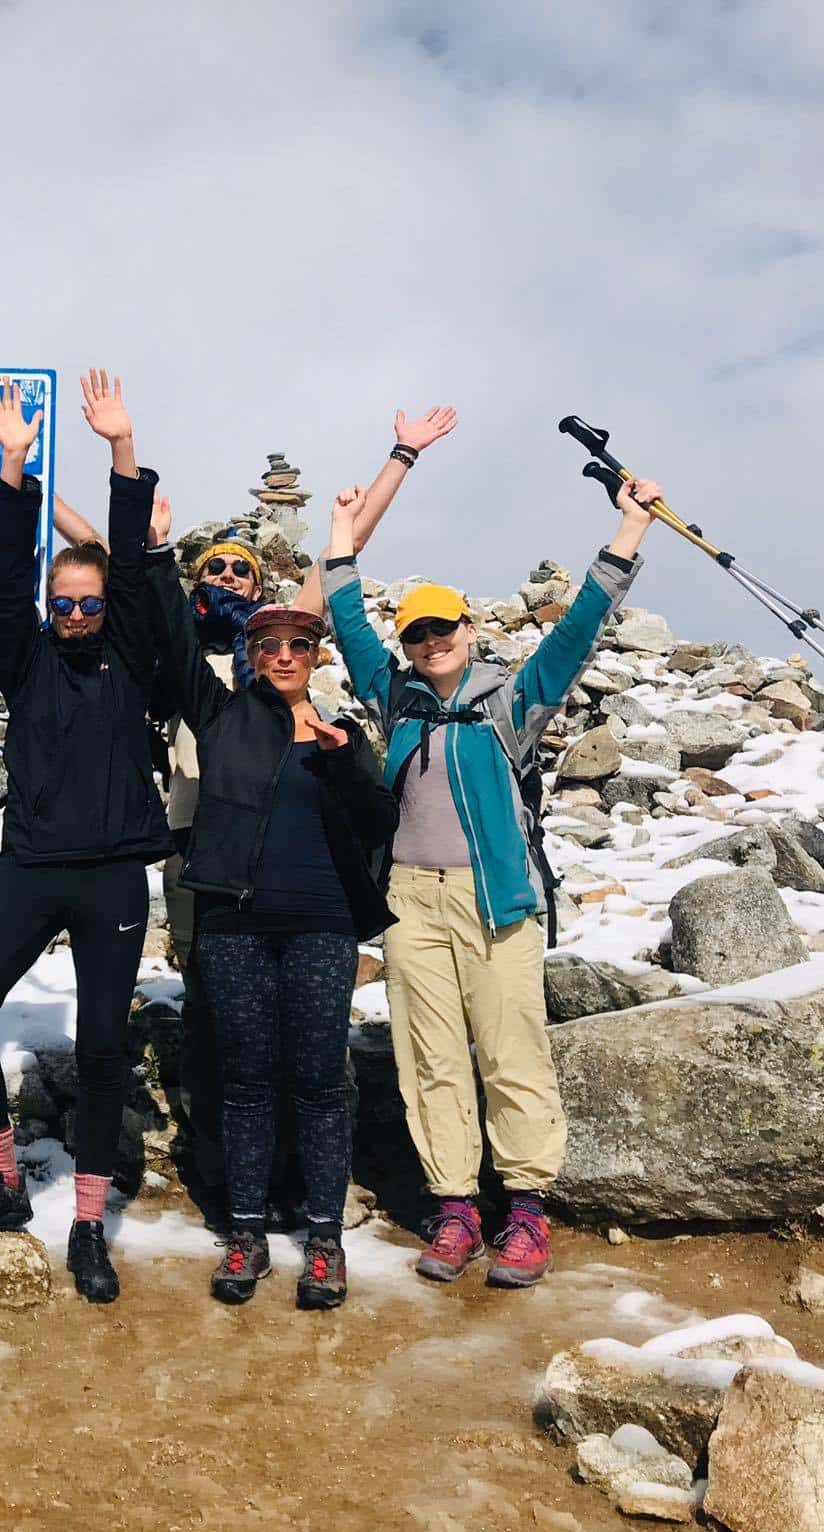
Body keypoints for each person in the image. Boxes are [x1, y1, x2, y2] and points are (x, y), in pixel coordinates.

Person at [321, 475, 662, 1288]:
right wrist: (339, 541)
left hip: (497, 899)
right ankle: (455, 1209)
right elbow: (348, 627)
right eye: (417, 633)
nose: (429, 640)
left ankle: (529, 1212)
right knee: (430, 1055)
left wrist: (628, 534)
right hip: (411, 902)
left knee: (512, 1052)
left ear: (470, 631)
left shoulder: (513, 702)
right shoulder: (393, 697)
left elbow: (576, 633)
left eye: (443, 627)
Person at [151, 407, 457, 1229]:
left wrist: (397, 460)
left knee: (310, 1050)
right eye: (211, 567)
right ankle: (233, 1187)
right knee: (223, 1030)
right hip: (203, 857)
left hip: (298, 872)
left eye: (240, 570)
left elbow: (338, 561)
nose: (227, 579)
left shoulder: (281, 649)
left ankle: (307, 1191)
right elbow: (129, 581)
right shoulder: (199, 677)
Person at [0, 372, 174, 1305]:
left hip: (113, 876)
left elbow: (134, 578)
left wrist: (121, 452)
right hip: (33, 869)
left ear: (104, 605)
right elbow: (4, 575)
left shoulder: (133, 660)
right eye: (61, 604)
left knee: (104, 1044)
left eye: (86, 603)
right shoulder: (24, 658)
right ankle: (0, 1180)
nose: (73, 614)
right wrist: (14, 467)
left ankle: (86, 1221)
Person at [153, 590, 399, 1307]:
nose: (285, 655)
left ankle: (325, 1238)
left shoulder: (342, 732)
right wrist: (156, 550)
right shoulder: (223, 718)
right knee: (246, 1080)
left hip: (321, 924)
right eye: (269, 645)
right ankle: (247, 1232)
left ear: (317, 656)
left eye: (298, 644)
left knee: (322, 1079)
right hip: (234, 925)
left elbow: (381, 818)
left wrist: (345, 760)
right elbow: (171, 635)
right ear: (250, 658)